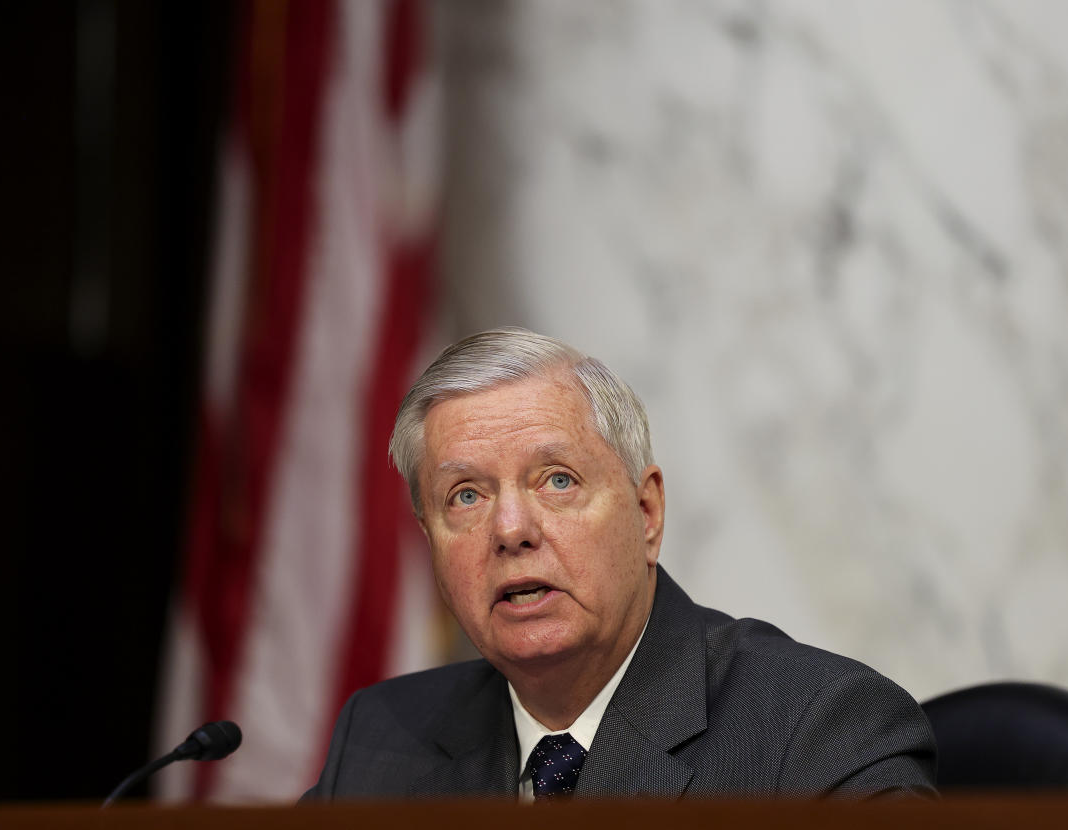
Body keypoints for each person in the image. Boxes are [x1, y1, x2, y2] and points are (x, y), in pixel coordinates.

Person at [303, 328, 936, 800]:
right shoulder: (380, 739)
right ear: (430, 539)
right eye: (465, 495)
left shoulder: (820, 733)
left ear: (647, 513)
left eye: (556, 480)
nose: (511, 529)